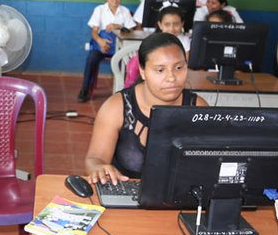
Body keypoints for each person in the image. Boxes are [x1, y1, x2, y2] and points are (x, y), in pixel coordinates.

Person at [85, 32, 209, 184]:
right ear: (143, 71)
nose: (171, 77)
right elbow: (94, 159)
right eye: (160, 70)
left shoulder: (198, 109)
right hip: (126, 200)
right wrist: (99, 168)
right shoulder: (117, 107)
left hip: (179, 202)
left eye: (179, 67)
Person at [78, 0, 136, 103]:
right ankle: (84, 89)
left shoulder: (125, 11)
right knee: (91, 59)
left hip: (119, 49)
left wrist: (118, 26)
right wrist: (100, 41)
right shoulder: (99, 10)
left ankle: (124, 92)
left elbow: (131, 31)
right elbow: (94, 32)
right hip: (102, 47)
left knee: (130, 61)